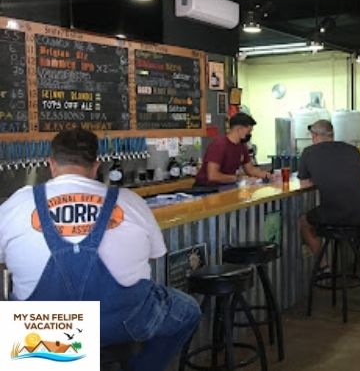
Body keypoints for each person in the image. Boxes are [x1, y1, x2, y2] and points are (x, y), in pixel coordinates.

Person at [0, 128, 201, 370]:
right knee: (188, 310)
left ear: (51, 164)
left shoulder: (17, 204)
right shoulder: (130, 201)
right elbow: (156, 254)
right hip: (122, 322)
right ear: (96, 166)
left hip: (42, 332)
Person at [298, 120, 360, 312]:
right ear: (331, 134)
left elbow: (304, 186)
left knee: (304, 222)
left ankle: (324, 266)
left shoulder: (308, 153)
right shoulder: (352, 150)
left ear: (315, 136)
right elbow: (358, 178)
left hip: (331, 213)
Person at [195, 112, 270, 186]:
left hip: (225, 187)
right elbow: (213, 176)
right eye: (248, 131)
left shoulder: (242, 147)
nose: (249, 135)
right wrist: (238, 178)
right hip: (207, 189)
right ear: (239, 129)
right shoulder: (219, 145)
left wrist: (266, 175)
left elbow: (250, 169)